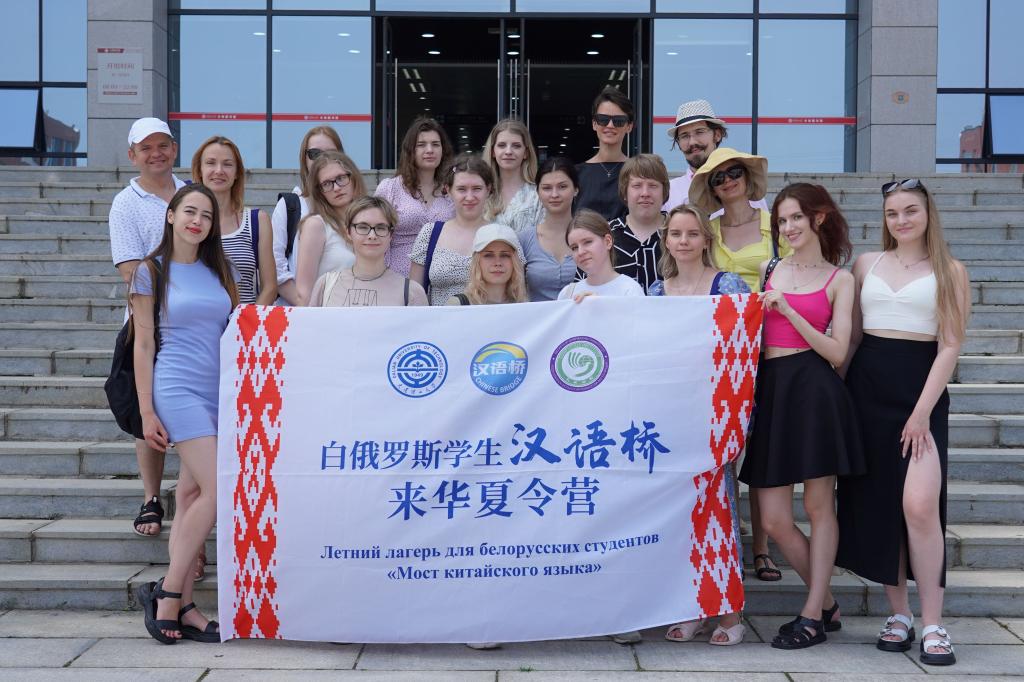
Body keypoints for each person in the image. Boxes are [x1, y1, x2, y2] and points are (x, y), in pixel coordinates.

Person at [837, 179, 970, 667]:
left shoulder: (951, 270)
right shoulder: (866, 264)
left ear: (928, 213)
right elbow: (852, 338)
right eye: (892, 213)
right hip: (865, 392)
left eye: (910, 211)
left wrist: (920, 413)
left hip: (920, 396)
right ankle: (899, 614)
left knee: (919, 504)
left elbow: (950, 345)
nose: (901, 220)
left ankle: (934, 623)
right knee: (880, 504)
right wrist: (837, 394)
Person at [738, 183, 864, 650]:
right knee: (773, 519)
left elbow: (837, 351)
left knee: (817, 507)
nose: (788, 228)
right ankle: (826, 601)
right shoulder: (769, 270)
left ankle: (812, 615)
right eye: (781, 221)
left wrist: (790, 311)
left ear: (819, 218)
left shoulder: (840, 279)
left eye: (795, 218)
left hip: (815, 390)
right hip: (772, 390)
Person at [132, 184, 239, 644]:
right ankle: (169, 592)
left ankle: (187, 607)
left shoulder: (220, 271)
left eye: (206, 216)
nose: (198, 221)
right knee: (219, 488)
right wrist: (146, 411)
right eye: (189, 211)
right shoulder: (150, 270)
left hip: (219, 392)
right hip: (176, 387)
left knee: (195, 494)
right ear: (171, 215)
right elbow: (142, 344)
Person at [690, 147, 792, 580]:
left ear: (748, 178)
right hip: (721, 351)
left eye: (734, 172)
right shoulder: (707, 230)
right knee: (724, 446)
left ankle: (763, 548)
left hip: (770, 346)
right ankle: (727, 535)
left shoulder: (775, 226)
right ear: (711, 188)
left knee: (762, 448)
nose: (727, 181)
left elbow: (795, 273)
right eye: (718, 177)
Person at [648, 205, 748, 645]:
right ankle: (691, 607)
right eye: (676, 234)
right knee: (680, 515)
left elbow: (744, 349)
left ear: (706, 239)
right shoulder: (655, 292)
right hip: (671, 416)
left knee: (719, 511)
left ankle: (730, 612)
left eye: (692, 233)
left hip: (716, 414)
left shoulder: (728, 285)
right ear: (666, 240)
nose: (684, 241)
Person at [108, 117, 186, 539]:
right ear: (132, 155)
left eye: (163, 145)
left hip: (193, 324)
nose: (156, 154)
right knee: (147, 411)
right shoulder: (126, 203)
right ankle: (151, 497)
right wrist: (181, 286)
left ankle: (190, 498)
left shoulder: (192, 192)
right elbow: (129, 269)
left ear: (174, 148)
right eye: (146, 148)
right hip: (147, 321)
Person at [191, 135, 276, 305]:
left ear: (237, 172)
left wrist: (246, 319)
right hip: (200, 320)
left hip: (245, 319)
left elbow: (270, 287)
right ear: (200, 170)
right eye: (211, 163)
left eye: (227, 164)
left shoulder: (257, 221)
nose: (219, 170)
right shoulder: (188, 221)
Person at [410, 153, 499, 306]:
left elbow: (515, 291)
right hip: (440, 321)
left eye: (477, 189)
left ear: (488, 189)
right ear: (448, 190)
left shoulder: (501, 235)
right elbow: (414, 295)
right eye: (461, 189)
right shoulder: (430, 234)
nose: (469, 197)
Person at [308, 196, 427, 308]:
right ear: (348, 232)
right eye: (363, 227)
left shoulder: (411, 292)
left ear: (391, 235)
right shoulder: (326, 284)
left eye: (380, 228)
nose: (372, 235)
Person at [270, 126, 344, 305]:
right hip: (298, 310)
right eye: (315, 154)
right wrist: (306, 305)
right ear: (304, 160)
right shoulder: (290, 206)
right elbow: (276, 265)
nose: (323, 159)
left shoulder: (353, 208)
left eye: (331, 153)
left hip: (343, 308)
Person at [374, 117, 455, 276]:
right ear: (411, 150)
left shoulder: (452, 191)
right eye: (421, 145)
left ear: (443, 150)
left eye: (435, 144)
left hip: (441, 279)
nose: (430, 150)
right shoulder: (390, 188)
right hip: (396, 278)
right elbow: (374, 233)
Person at [662, 99, 768, 215]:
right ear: (678, 143)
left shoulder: (743, 188)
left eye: (699, 132)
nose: (692, 142)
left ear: (717, 135)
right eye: (684, 136)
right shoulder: (669, 192)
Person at [293, 151, 367, 306]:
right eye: (327, 184)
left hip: (367, 312)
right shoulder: (315, 225)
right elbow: (303, 294)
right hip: (328, 315)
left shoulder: (370, 223)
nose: (336, 188)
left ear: (353, 178)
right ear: (319, 192)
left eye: (341, 178)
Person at [607, 153, 671, 293]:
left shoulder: (679, 232)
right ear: (625, 192)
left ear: (664, 191)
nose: (645, 193)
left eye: (653, 185)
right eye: (637, 185)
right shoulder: (605, 235)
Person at [519, 157, 579, 301]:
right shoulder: (524, 239)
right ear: (538, 192)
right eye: (547, 188)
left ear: (576, 190)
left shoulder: (590, 236)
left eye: (562, 187)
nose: (554, 194)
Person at [559, 209, 644, 302]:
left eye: (587, 242)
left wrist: (600, 306)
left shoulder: (630, 290)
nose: (580, 252)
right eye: (574, 247)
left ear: (608, 241)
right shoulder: (567, 294)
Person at [576, 86, 633, 222]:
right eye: (603, 119)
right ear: (594, 124)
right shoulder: (576, 174)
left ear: (629, 126)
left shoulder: (638, 172)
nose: (610, 125)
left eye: (619, 120)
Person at [483, 119, 543, 234]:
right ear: (493, 151)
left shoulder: (538, 195)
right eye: (502, 145)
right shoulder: (481, 192)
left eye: (516, 146)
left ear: (526, 153)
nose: (508, 151)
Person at [447, 223, 528, 306]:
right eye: (489, 255)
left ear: (514, 261)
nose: (498, 263)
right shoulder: (458, 304)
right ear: (477, 261)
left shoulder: (524, 305)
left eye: (505, 255)